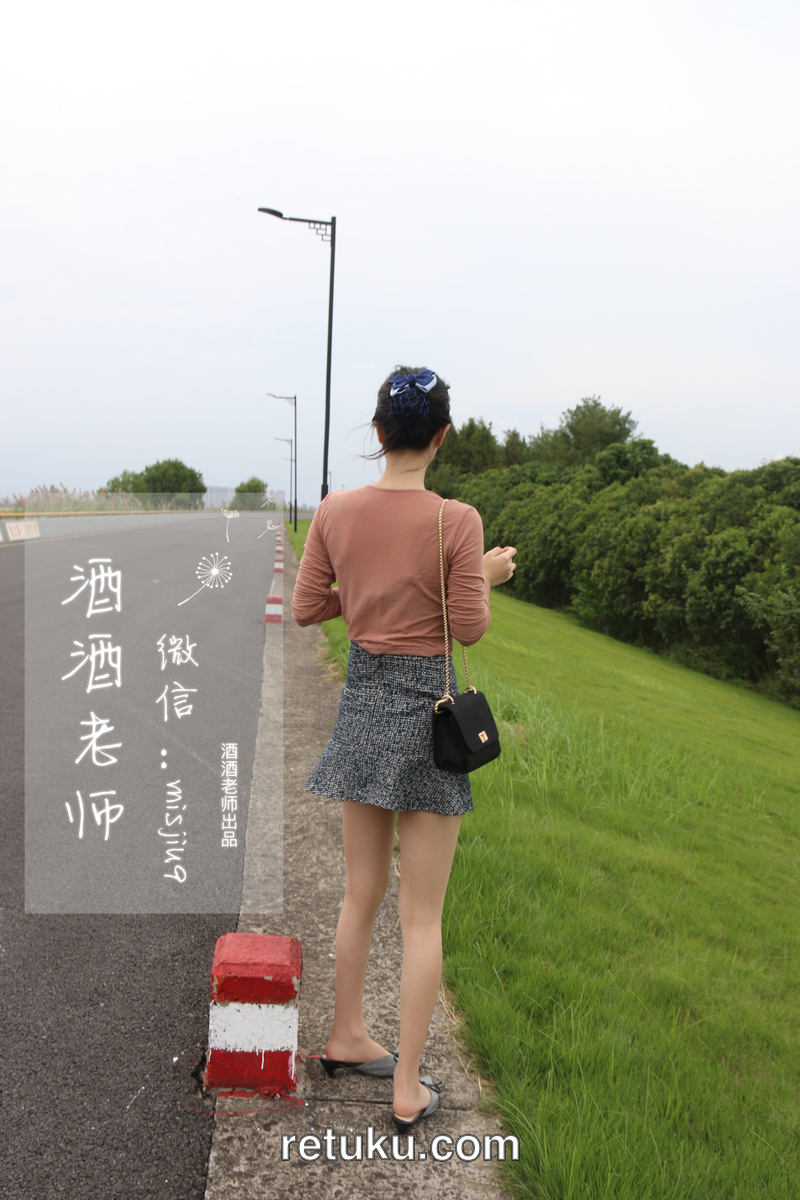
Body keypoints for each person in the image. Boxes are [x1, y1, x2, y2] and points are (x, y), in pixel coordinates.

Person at [291, 366, 517, 1128]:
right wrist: (483, 575)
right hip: (427, 721)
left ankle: (345, 1035)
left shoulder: (334, 511)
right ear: (441, 436)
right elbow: (470, 625)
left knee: (360, 893)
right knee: (422, 917)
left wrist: (363, 594)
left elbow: (307, 607)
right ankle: (408, 1086)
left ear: (379, 432)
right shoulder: (457, 520)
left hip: (362, 708)